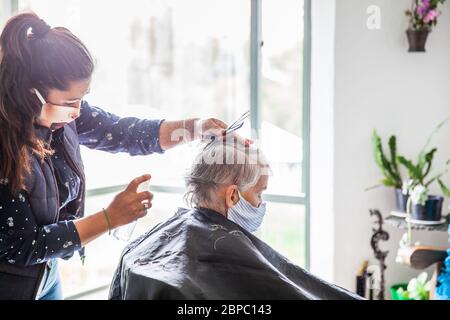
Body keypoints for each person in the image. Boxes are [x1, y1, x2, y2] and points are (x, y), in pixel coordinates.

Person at [0, 12, 242, 300]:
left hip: (47, 274)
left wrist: (194, 129)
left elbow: (123, 132)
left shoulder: (63, 117)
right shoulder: (5, 148)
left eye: (82, 98)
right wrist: (109, 218)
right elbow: (24, 247)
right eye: (69, 102)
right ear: (31, 94)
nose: (77, 111)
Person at [109, 142, 362, 300]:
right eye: (259, 193)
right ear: (232, 195)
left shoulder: (143, 245)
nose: (261, 204)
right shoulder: (228, 257)